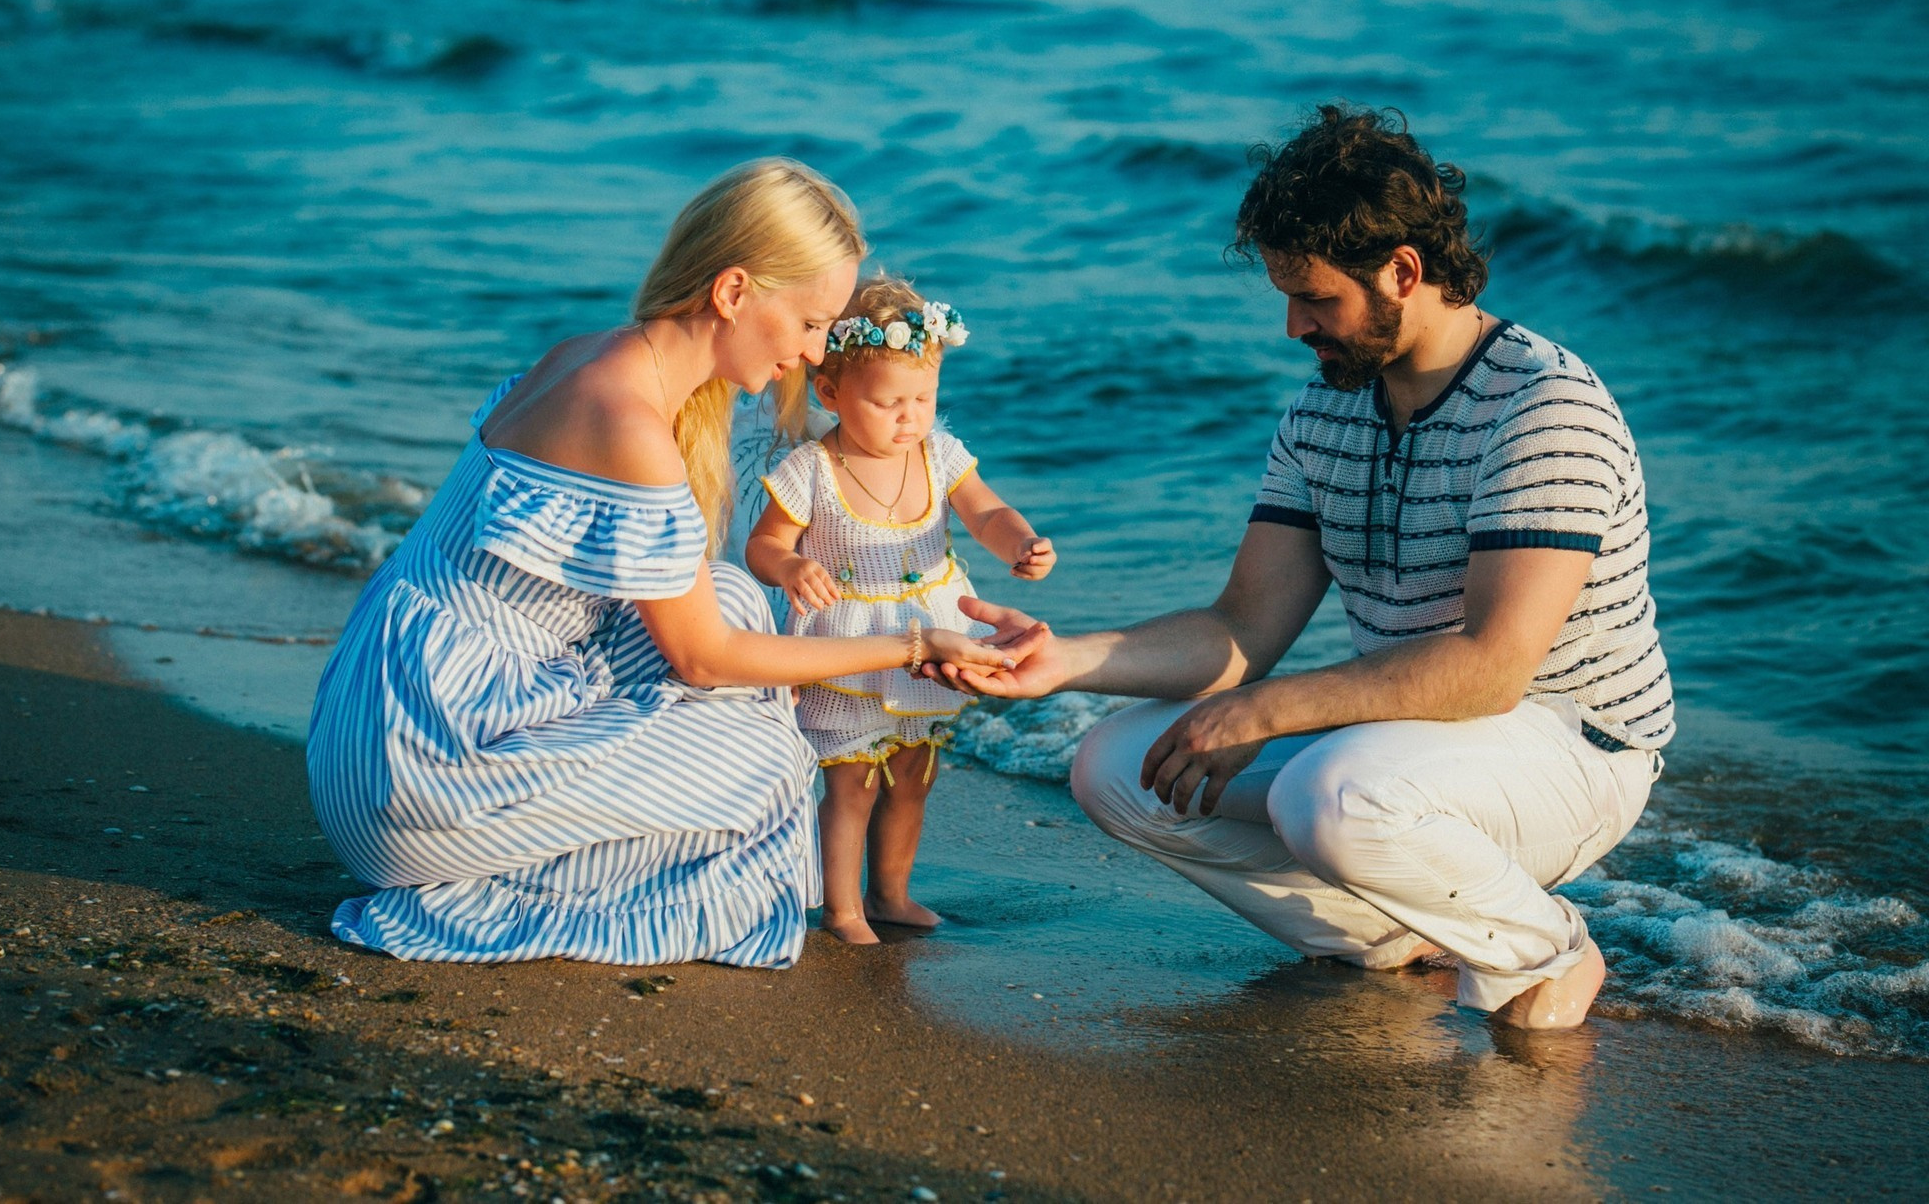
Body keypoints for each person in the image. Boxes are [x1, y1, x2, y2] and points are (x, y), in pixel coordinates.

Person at [945, 106, 1671, 1029]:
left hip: (1574, 748)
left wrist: (1265, 709)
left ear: (1404, 271)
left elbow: (1491, 669)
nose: (1294, 326)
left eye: (1317, 300)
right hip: (1408, 738)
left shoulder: (1544, 409)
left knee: (1328, 793)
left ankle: (1547, 950)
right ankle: (1390, 933)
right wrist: (1067, 662)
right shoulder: (1324, 414)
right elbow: (1244, 625)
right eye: (1288, 297)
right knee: (1117, 764)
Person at [306, 159, 1020, 968]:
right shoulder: (631, 424)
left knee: (734, 599)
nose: (819, 351)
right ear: (734, 291)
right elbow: (703, 661)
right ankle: (507, 881)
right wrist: (916, 646)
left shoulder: (592, 356)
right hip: (420, 773)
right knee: (771, 759)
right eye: (813, 322)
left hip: (383, 711)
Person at [746, 275, 1054, 944]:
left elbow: (987, 512)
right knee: (851, 784)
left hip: (931, 637)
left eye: (923, 397)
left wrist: (1022, 543)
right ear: (830, 393)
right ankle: (842, 908)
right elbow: (764, 544)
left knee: (914, 776)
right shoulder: (812, 469)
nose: (909, 417)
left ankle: (890, 895)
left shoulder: (940, 454)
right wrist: (791, 565)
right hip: (851, 643)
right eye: (888, 403)